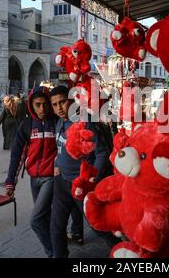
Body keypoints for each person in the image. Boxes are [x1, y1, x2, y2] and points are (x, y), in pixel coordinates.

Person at [49, 85, 119, 258]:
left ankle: (125, 252)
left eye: (62, 102)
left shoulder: (84, 121)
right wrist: (57, 164)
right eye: (55, 104)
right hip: (62, 184)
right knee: (56, 228)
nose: (59, 108)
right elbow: (61, 148)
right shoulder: (59, 122)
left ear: (71, 101)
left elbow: (102, 153)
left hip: (82, 186)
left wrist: (91, 179)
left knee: (98, 226)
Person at [4, 86, 58, 257]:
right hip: (34, 178)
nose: (42, 109)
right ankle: (57, 243)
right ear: (31, 106)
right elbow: (16, 155)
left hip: (51, 178)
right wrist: (10, 181)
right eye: (38, 105)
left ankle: (54, 253)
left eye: (45, 105)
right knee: (45, 217)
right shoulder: (26, 125)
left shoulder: (56, 122)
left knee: (36, 220)